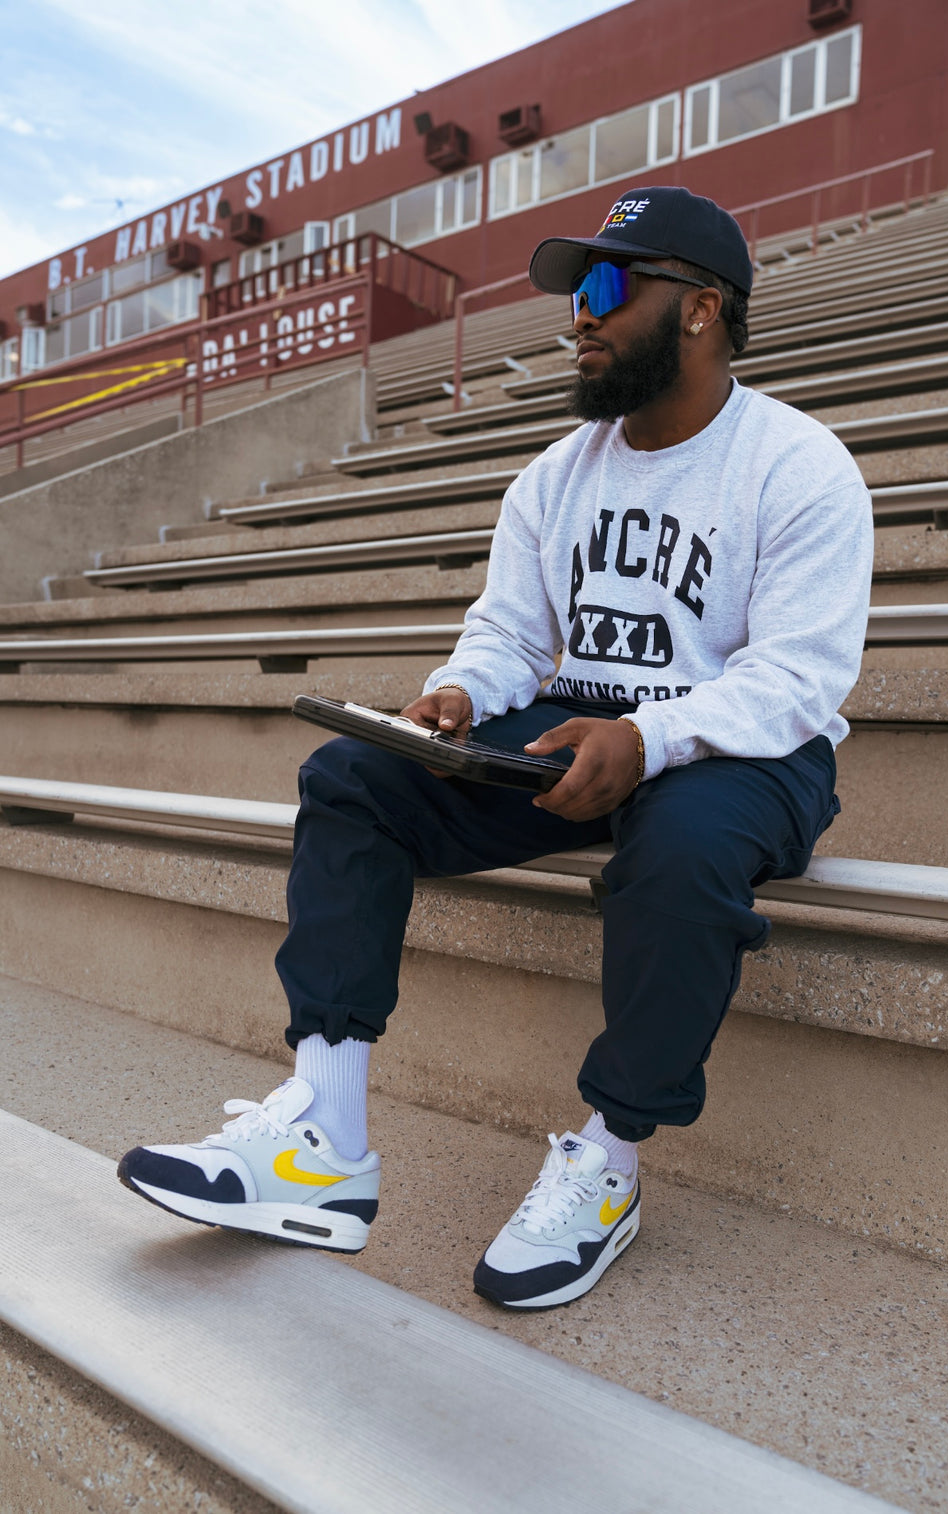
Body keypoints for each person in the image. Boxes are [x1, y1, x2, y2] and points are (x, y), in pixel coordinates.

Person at [118, 185, 874, 1310]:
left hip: (746, 745)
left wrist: (650, 733)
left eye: (608, 287)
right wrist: (460, 695)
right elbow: (511, 635)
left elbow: (800, 674)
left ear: (702, 309)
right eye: (574, 289)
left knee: (677, 854)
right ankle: (323, 1134)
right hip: (577, 725)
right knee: (356, 778)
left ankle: (608, 1159)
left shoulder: (799, 467)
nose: (579, 313)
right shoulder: (554, 475)